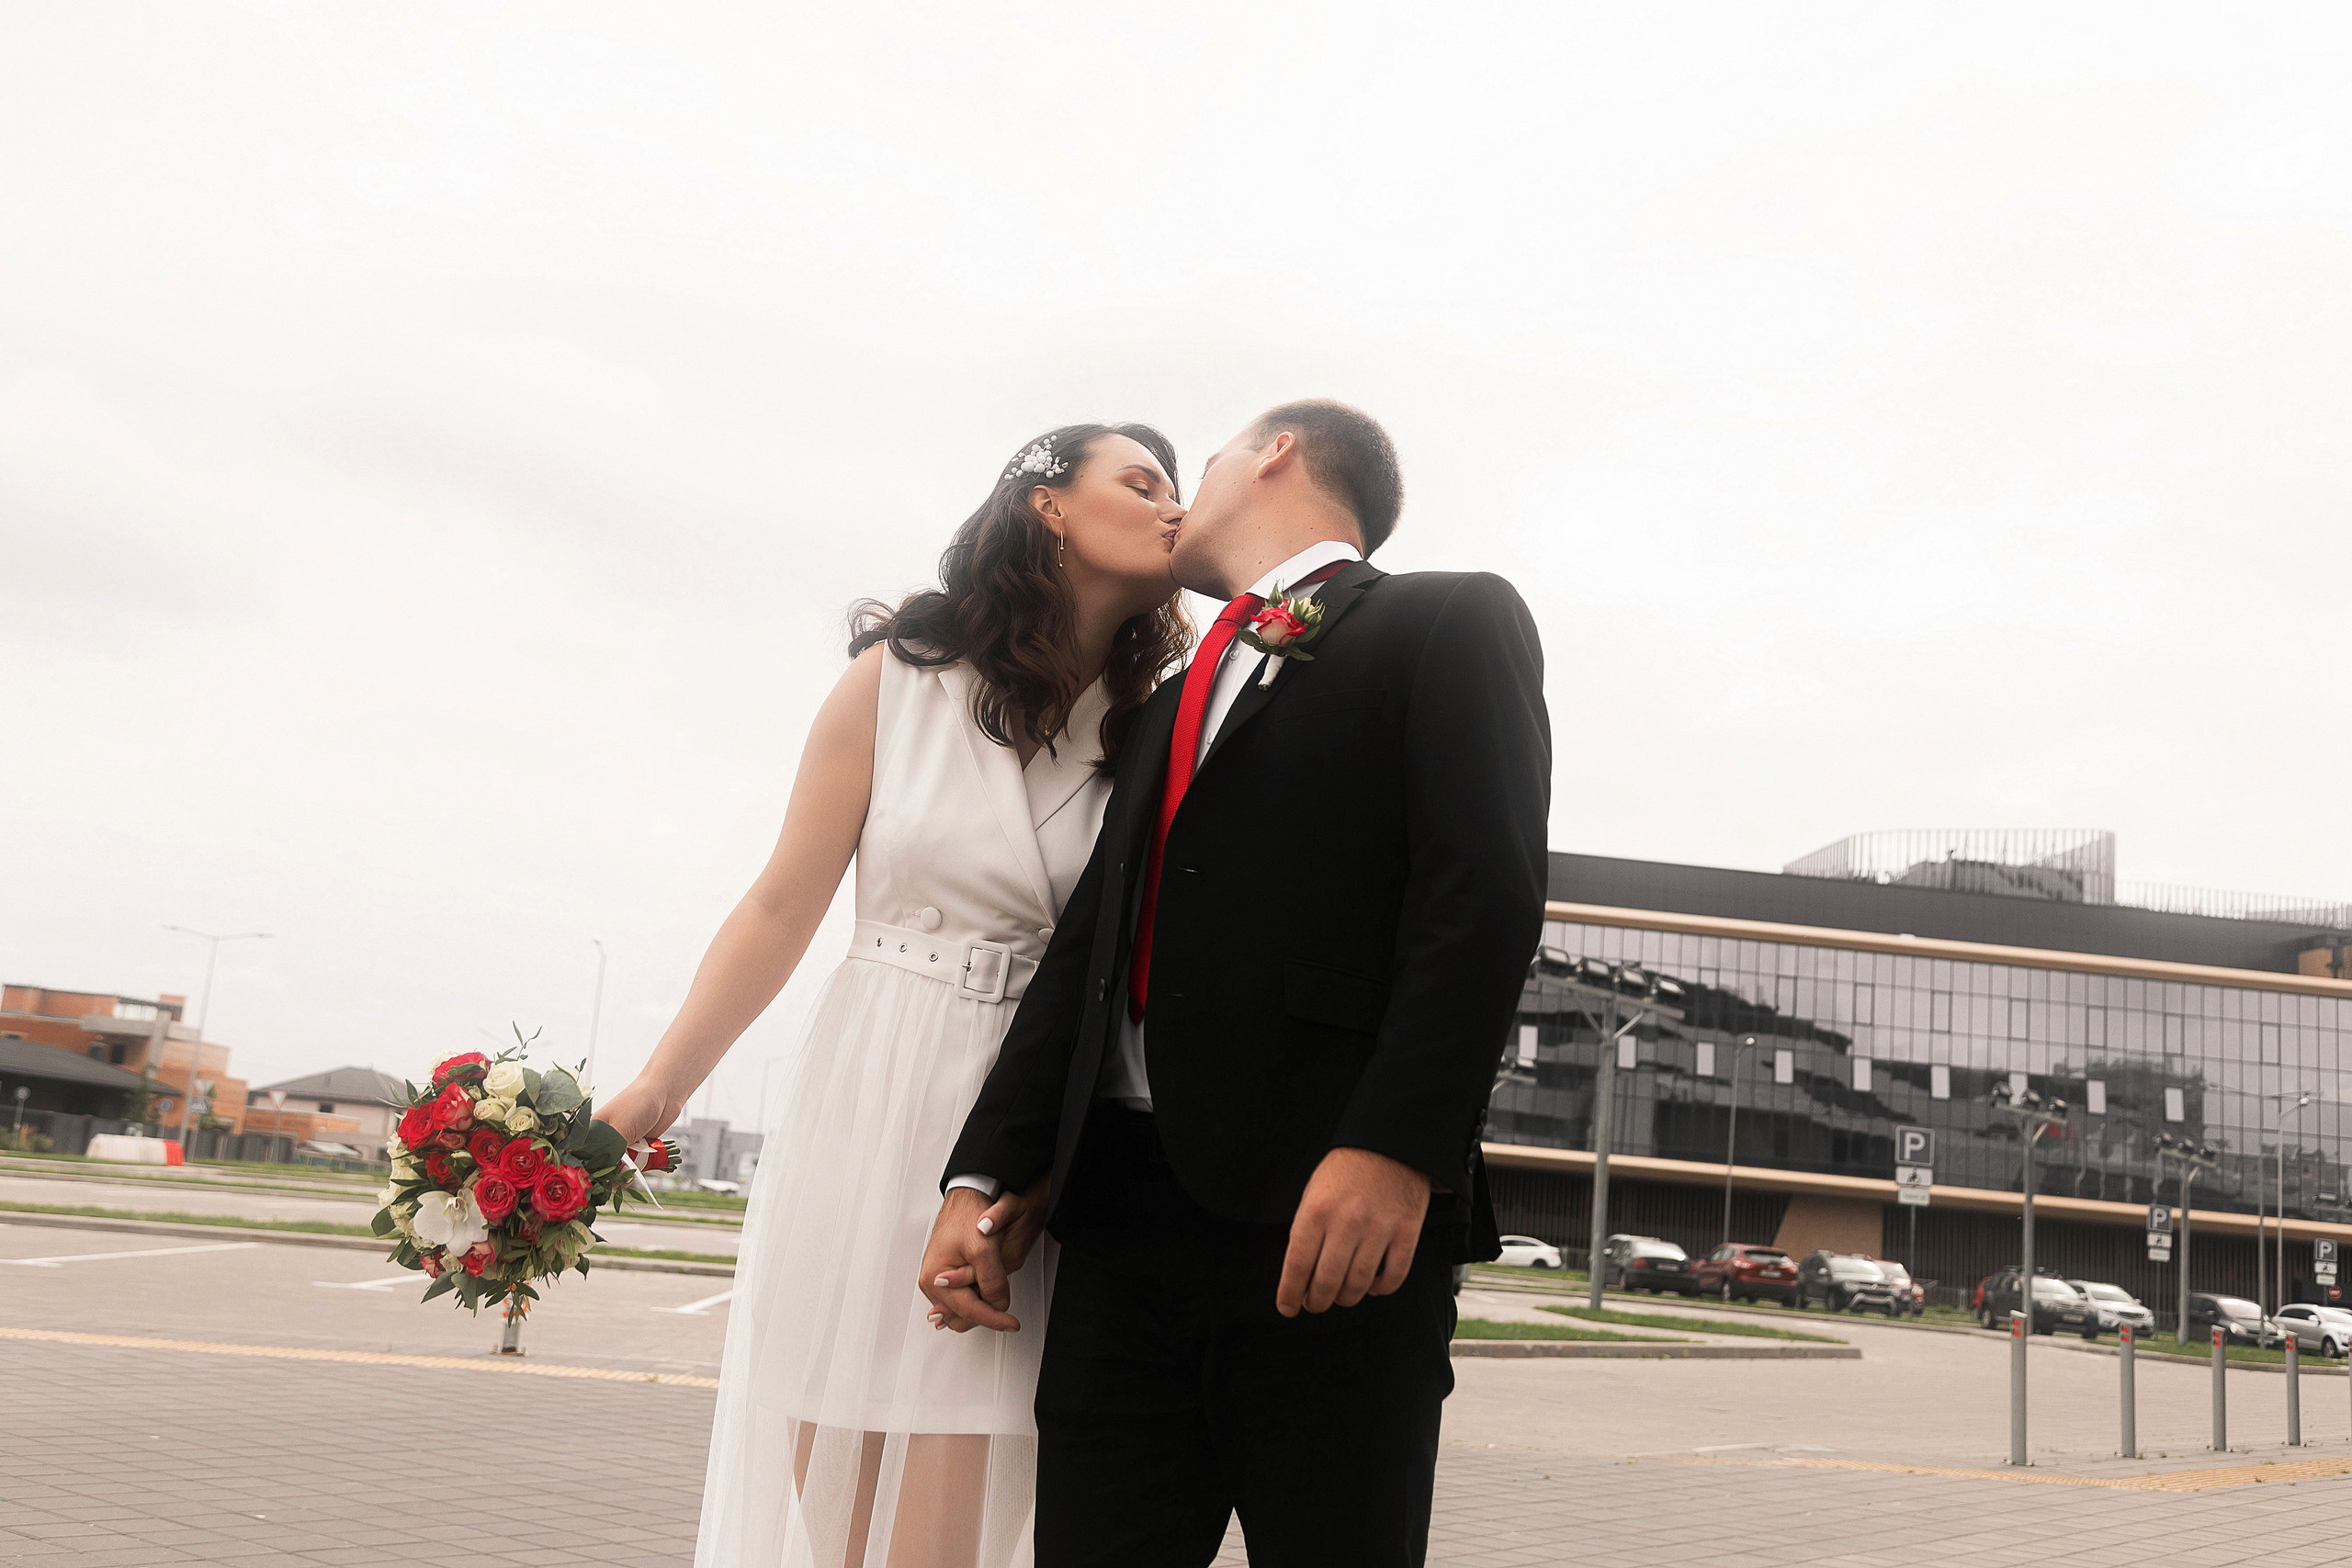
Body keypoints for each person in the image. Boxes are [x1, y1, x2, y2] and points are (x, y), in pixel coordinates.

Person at [920, 400, 1551, 1567]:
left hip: (1330, 1228)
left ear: (1276, 452)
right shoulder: (1166, 701)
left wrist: (1394, 1148)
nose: (1175, 495)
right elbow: (1088, 951)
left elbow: (1485, 900)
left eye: (1196, 463)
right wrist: (989, 1167)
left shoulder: (1444, 619)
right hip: (1120, 1240)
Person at [599, 423, 1192, 1568]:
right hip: (871, 1090)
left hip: (1024, 1120)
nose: (1174, 506)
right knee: (837, 1457)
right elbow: (781, 904)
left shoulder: (1160, 720)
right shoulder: (896, 680)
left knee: (964, 1484)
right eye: (1141, 481)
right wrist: (660, 1084)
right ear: (1049, 507)